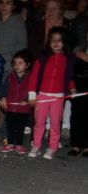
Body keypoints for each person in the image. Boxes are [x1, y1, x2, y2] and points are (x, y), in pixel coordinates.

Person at [28, 26, 76, 159]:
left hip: (58, 98)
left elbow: (69, 76)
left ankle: (53, 147)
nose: (55, 43)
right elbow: (34, 76)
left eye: (59, 40)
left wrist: (72, 88)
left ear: (64, 42)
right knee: (39, 122)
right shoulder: (43, 57)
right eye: (53, 40)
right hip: (42, 95)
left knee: (55, 123)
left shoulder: (68, 59)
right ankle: (36, 145)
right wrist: (32, 94)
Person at [0, 50, 33, 154]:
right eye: (15, 63)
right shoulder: (10, 77)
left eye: (20, 63)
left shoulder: (30, 78)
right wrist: (3, 98)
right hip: (10, 108)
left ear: (27, 65)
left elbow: (32, 91)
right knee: (10, 127)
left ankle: (18, 144)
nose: (16, 66)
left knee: (20, 128)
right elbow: (4, 89)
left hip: (23, 109)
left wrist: (27, 100)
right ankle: (10, 143)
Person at [68, 0, 88, 156]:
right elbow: (71, 43)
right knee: (77, 109)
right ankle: (76, 144)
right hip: (80, 70)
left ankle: (87, 145)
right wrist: (78, 52)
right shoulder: (80, 20)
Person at [0, 0, 28, 78]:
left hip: (10, 67)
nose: (4, 6)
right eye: (2, 2)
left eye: (8, 3)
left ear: (13, 6)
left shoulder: (18, 21)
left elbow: (23, 45)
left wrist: (1, 49)